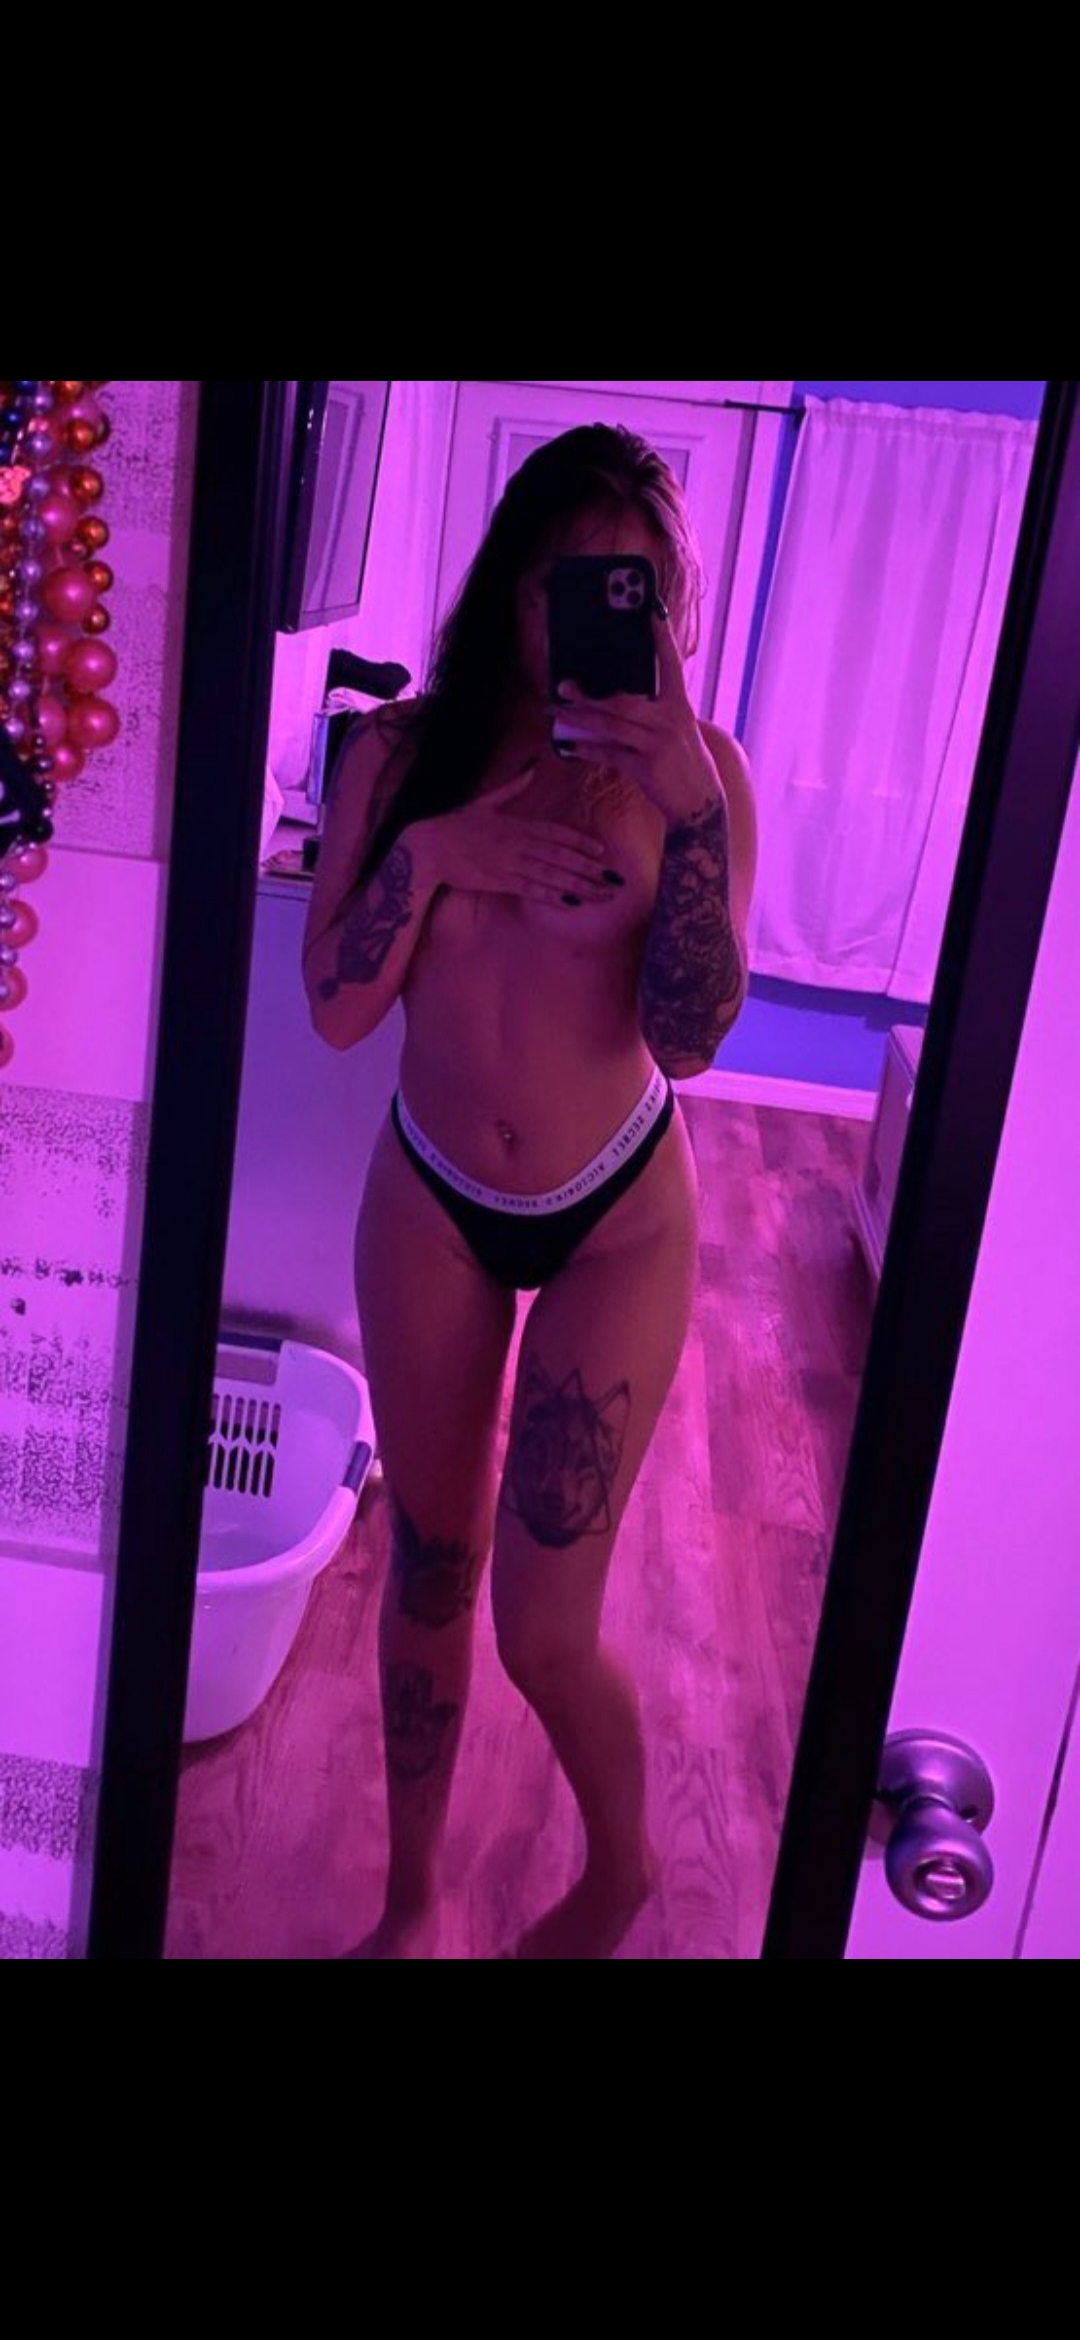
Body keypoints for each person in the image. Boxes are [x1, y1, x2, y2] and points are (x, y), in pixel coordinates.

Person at [302, 423, 757, 1958]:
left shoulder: (703, 781)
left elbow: (688, 1038)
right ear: (511, 584)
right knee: (429, 1569)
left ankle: (622, 1870)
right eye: (572, 582)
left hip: (613, 1216)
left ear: (667, 612)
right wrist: (438, 854)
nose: (597, 619)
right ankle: (412, 1903)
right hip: (431, 1195)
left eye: (635, 592)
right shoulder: (396, 757)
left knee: (544, 1629)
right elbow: (335, 1011)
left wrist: (691, 819)